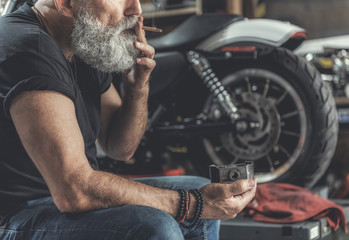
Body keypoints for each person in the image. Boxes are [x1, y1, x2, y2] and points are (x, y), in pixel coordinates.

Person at [0, 0, 257, 239]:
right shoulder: (28, 48)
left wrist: (138, 89)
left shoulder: (79, 45)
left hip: (63, 200)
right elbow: (74, 191)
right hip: (17, 215)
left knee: (197, 187)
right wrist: (192, 203)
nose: (136, 9)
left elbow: (120, 147)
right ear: (66, 3)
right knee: (157, 224)